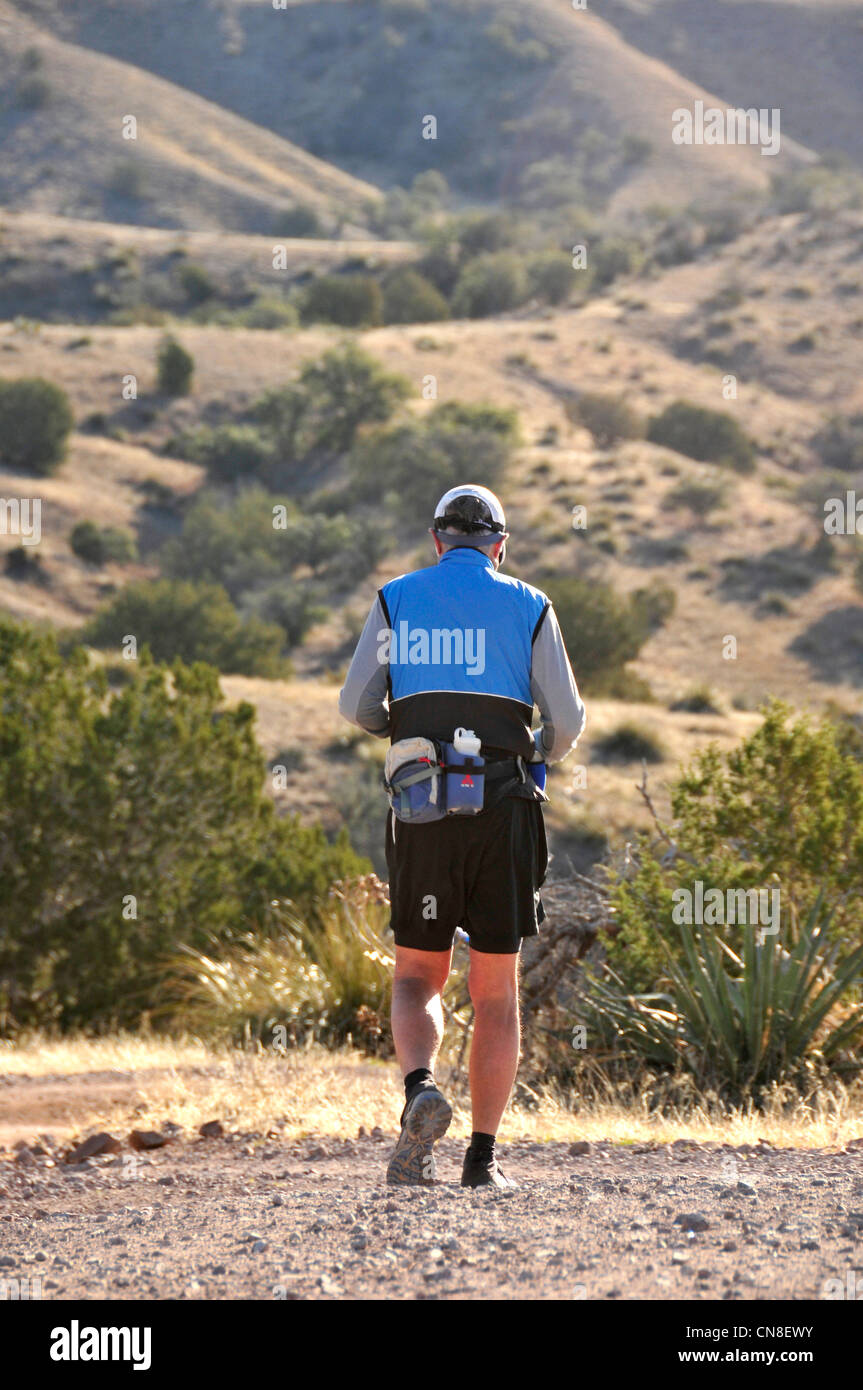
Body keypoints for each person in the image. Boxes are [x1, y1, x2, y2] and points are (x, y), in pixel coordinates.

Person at [339, 484, 585, 1187]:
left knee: (418, 973)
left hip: (421, 810)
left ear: (435, 540)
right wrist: (534, 749)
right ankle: (482, 1160)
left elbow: (355, 703)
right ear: (500, 546)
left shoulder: (396, 597)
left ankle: (420, 1086)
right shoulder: (530, 604)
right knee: (496, 992)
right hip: (504, 811)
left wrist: (407, 726)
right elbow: (565, 723)